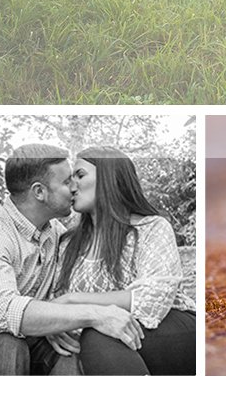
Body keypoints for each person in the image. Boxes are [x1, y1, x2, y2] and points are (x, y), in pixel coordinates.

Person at [0, 144, 143, 375]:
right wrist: (95, 314)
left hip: (31, 339)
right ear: (39, 192)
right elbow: (3, 311)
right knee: (8, 345)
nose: (74, 187)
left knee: (69, 347)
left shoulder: (56, 233)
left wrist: (56, 321)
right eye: (67, 182)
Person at [51, 146, 196, 375]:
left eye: (80, 175)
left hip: (169, 329)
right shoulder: (67, 243)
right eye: (70, 179)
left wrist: (73, 300)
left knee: (99, 335)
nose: (72, 185)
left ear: (110, 177)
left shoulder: (151, 228)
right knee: (95, 338)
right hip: (99, 339)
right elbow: (55, 305)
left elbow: (152, 300)